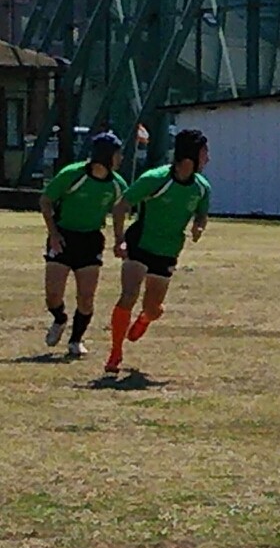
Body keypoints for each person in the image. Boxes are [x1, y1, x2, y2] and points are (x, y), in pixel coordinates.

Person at [104, 129, 212, 373]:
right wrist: (119, 239)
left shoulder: (202, 187)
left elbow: (202, 214)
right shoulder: (155, 178)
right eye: (205, 153)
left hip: (167, 250)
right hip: (140, 244)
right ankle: (115, 353)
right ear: (191, 156)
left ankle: (144, 319)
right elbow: (121, 206)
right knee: (128, 295)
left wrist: (199, 226)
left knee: (153, 309)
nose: (208, 159)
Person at [39, 131, 128, 358]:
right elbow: (46, 200)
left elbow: (119, 212)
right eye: (118, 154)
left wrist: (120, 240)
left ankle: (76, 340)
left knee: (86, 297)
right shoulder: (72, 174)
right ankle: (60, 319)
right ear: (106, 156)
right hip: (63, 237)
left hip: (90, 240)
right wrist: (54, 233)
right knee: (53, 295)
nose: (121, 159)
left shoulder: (117, 185)